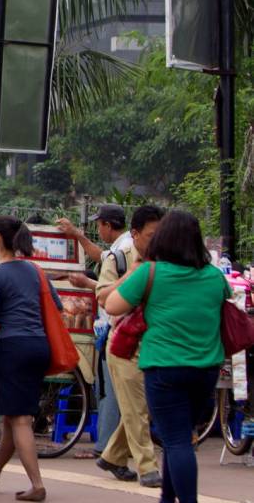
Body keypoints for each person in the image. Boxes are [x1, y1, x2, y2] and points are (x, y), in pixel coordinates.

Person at [105, 210, 226, 503]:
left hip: (164, 368)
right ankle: (167, 498)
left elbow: (111, 305)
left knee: (176, 441)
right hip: (206, 369)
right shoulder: (214, 276)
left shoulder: (151, 272)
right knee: (180, 437)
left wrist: (133, 275)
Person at [0, 216, 62, 502]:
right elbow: (58, 306)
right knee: (14, 415)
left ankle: (37, 484)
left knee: (20, 418)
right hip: (39, 346)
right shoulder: (36, 271)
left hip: (13, 347)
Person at [94, 205, 164, 487]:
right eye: (151, 235)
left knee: (144, 406)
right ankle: (148, 468)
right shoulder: (118, 259)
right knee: (137, 409)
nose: (156, 241)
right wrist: (133, 276)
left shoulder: (166, 259)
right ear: (134, 234)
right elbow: (102, 296)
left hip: (155, 343)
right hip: (124, 343)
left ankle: (113, 456)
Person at [57, 205, 129, 460]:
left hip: (116, 326)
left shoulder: (125, 249)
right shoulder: (120, 248)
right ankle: (117, 446)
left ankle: (105, 448)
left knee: (110, 391)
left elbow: (122, 290)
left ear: (108, 225)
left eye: (100, 225)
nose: (99, 230)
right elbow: (100, 255)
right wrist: (77, 235)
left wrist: (88, 283)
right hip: (112, 325)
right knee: (112, 390)